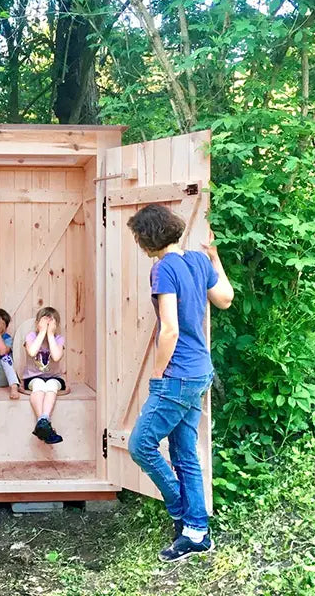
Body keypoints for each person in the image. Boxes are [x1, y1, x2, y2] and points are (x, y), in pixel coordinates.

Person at [126, 204, 234, 563]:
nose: (138, 241)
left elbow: (169, 329)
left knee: (141, 444)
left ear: (149, 236)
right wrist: (215, 258)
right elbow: (225, 300)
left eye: (138, 235)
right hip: (201, 370)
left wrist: (157, 375)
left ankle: (180, 507)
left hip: (178, 375)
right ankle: (196, 533)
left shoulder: (163, 269)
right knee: (184, 452)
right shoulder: (198, 262)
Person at [23, 307, 66, 445]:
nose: (47, 324)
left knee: (51, 385)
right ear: (37, 323)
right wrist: (42, 332)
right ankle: (45, 424)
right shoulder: (31, 337)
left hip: (54, 377)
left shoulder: (58, 339)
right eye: (44, 321)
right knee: (40, 385)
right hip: (33, 377)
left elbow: (56, 356)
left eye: (51, 322)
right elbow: (32, 351)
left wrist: (50, 335)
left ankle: (43, 420)